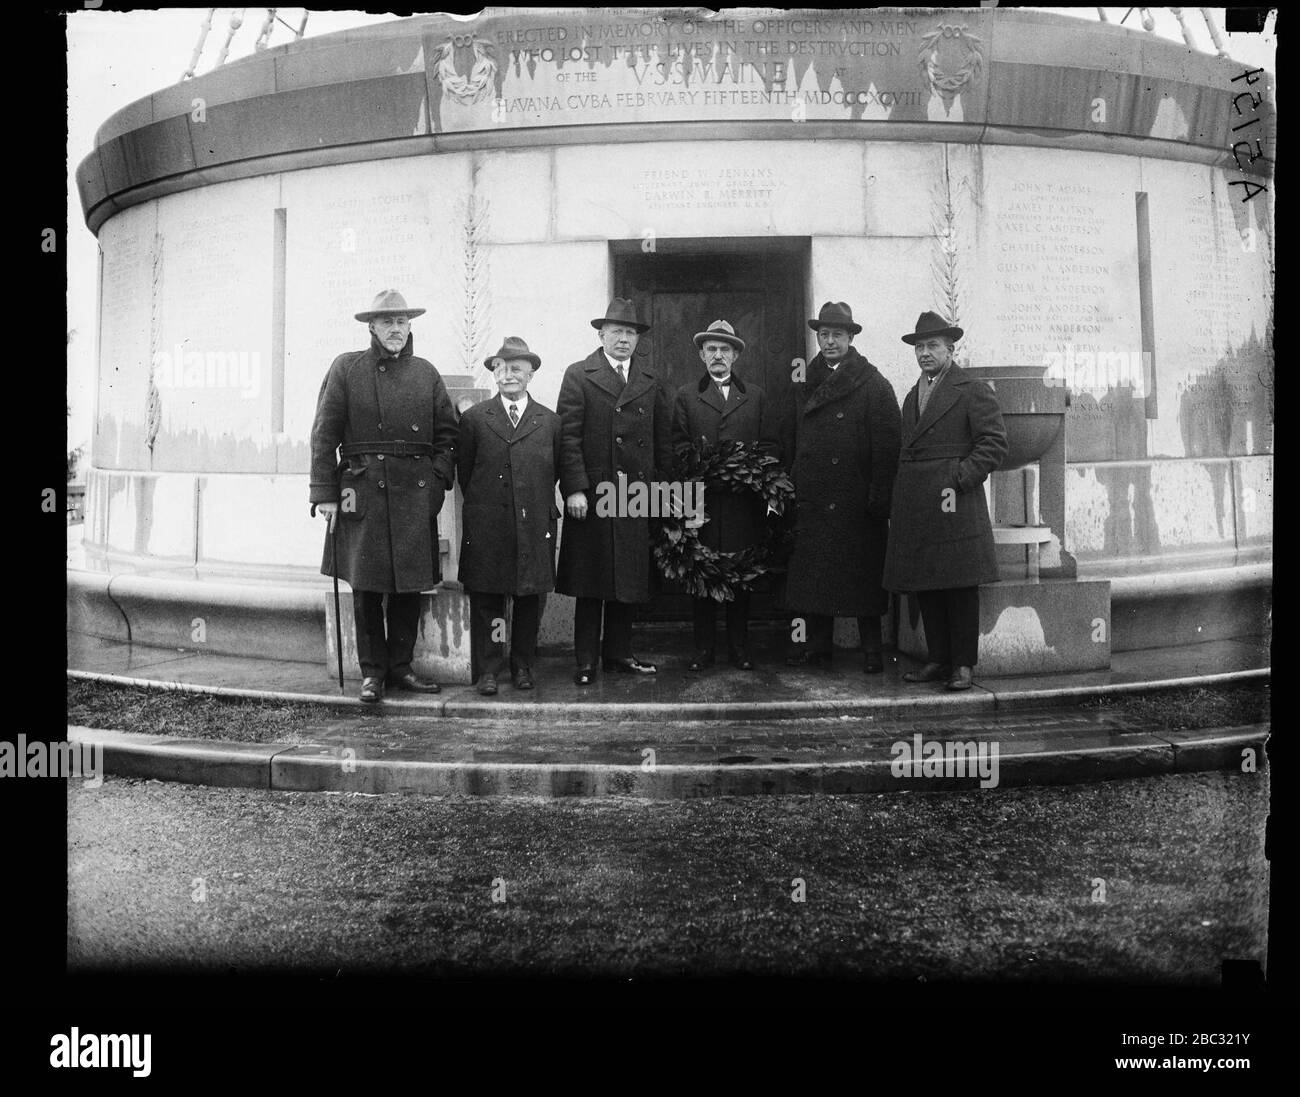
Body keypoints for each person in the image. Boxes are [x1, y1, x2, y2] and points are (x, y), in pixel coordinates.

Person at [309, 289, 458, 703]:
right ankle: (372, 672)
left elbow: (448, 436)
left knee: (410, 586)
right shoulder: (346, 368)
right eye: (388, 322)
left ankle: (401, 667)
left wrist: (438, 481)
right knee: (367, 586)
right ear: (371, 327)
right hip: (362, 491)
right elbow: (324, 433)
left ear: (410, 327)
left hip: (415, 491)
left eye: (402, 322)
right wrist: (326, 494)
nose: (396, 329)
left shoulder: (426, 373)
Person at [883, 310, 1008, 691]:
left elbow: (994, 444)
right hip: (919, 503)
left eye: (932, 345)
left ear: (950, 349)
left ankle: (963, 665)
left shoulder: (972, 390)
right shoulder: (911, 396)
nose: (924, 353)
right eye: (919, 347)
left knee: (959, 585)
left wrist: (960, 476)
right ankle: (937, 659)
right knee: (927, 583)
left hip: (955, 501)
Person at [555, 297, 672, 685]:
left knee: (629, 578)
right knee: (592, 581)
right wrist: (574, 488)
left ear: (638, 339)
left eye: (630, 333)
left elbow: (662, 442)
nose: (624, 339)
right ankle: (586, 661)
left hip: (635, 494)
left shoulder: (651, 380)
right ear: (601, 334)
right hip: (593, 493)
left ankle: (620, 654)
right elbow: (567, 438)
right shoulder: (579, 374)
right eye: (617, 331)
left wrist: (663, 494)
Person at [782, 301, 902, 672]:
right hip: (815, 497)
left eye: (837, 334)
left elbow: (887, 447)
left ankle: (871, 651)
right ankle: (817, 647)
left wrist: (878, 497)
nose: (829, 341)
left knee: (862, 582)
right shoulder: (804, 381)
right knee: (817, 577)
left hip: (856, 500)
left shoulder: (873, 384)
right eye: (823, 334)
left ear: (850, 338)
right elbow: (792, 436)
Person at [457, 337, 578, 694]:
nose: (508, 375)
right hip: (488, 522)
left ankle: (522, 664)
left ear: (530, 374)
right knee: (490, 598)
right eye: (501, 368)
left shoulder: (550, 422)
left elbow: (555, 469)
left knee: (529, 597)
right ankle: (489, 669)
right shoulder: (475, 419)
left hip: (534, 520)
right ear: (494, 373)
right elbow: (466, 472)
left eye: (516, 369)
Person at [671, 320, 780, 671]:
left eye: (725, 350)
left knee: (740, 573)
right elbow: (677, 444)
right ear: (702, 355)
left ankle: (739, 648)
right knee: (702, 573)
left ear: (735, 356)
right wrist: (702, 468)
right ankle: (703, 650)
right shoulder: (686, 396)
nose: (718, 355)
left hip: (742, 502)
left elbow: (771, 444)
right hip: (701, 502)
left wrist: (749, 473)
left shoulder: (756, 396)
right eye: (711, 349)